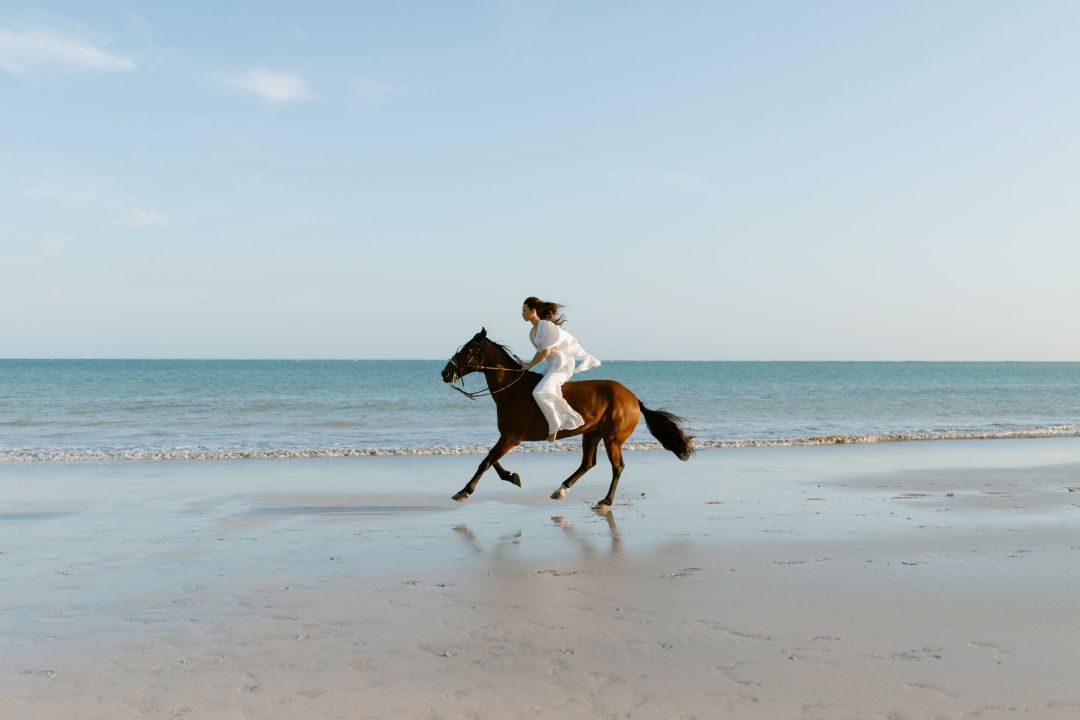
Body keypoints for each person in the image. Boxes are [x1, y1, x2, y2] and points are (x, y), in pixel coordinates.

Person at [519, 296, 601, 441]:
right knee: (531, 386)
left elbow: (545, 352)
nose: (522, 313)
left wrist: (529, 365)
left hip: (562, 365)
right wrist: (526, 365)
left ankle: (556, 425)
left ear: (533, 311)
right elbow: (541, 352)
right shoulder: (533, 332)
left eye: (524, 310)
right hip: (552, 365)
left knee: (540, 392)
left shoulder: (545, 325)